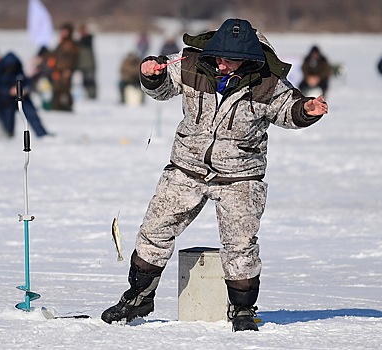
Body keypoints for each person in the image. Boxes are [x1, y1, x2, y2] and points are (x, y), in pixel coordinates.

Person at [100, 18, 329, 332]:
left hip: (240, 178)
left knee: (240, 247)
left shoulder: (267, 81)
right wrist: (150, 74)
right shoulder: (192, 63)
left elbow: (286, 110)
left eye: (230, 59)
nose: (221, 63)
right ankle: (139, 297)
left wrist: (306, 110)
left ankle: (244, 311)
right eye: (218, 55)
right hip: (187, 169)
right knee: (154, 232)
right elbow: (163, 87)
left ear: (249, 59)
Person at [0, 52, 50, 138]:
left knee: (31, 113)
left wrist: (24, 90)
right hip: (7, 100)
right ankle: (8, 135)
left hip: (22, 98)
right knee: (7, 118)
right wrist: (9, 91)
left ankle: (42, 134)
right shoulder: (0, 73)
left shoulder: (19, 71)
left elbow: (27, 83)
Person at [51, 23, 79, 111]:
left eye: (65, 31)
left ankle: (67, 107)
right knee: (57, 89)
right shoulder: (62, 43)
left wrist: (69, 70)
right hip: (58, 70)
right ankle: (57, 107)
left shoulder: (70, 44)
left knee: (65, 89)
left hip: (65, 70)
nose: (63, 33)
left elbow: (72, 59)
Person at [77, 24, 97, 99]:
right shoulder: (80, 41)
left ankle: (92, 96)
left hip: (90, 64)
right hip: (82, 65)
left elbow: (86, 42)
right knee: (84, 82)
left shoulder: (88, 39)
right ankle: (87, 96)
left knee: (91, 81)